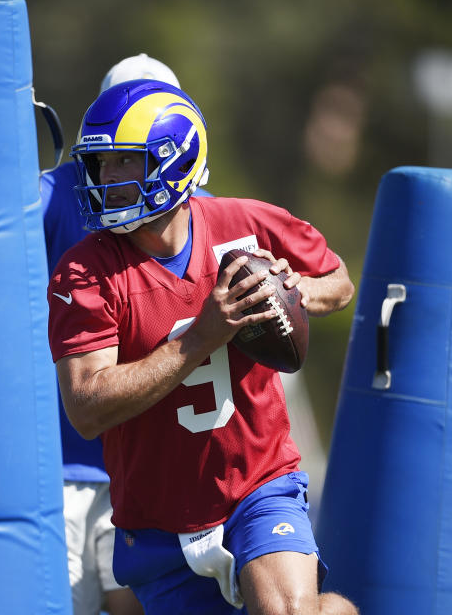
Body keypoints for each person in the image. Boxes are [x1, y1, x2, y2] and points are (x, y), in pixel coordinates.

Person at [47, 79, 358, 615]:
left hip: (257, 485)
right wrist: (200, 337)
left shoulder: (246, 225)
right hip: (156, 519)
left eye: (125, 163)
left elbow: (338, 278)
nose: (108, 180)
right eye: (101, 165)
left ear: (173, 163)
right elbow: (86, 407)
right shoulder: (84, 269)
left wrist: (291, 293)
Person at [42, 54, 214, 615]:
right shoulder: (49, 196)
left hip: (142, 468)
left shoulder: (202, 214)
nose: (116, 173)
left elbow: (328, 280)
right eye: (110, 157)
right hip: (65, 458)